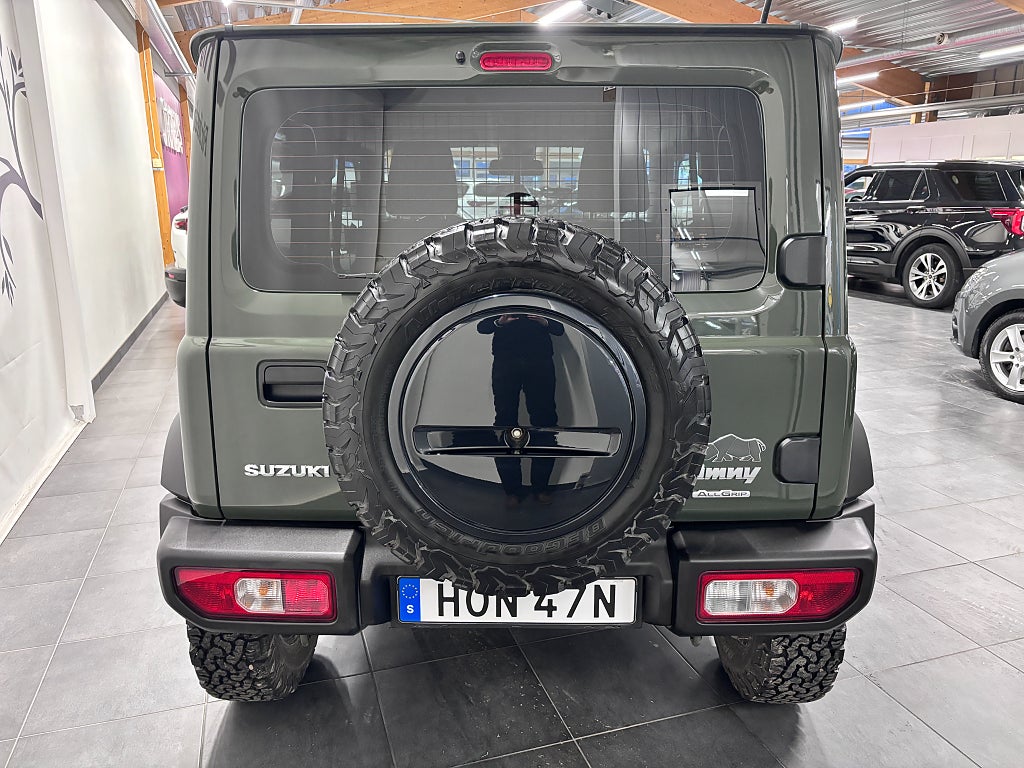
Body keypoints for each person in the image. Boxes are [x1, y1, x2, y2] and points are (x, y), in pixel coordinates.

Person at [477, 312, 564, 505]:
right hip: (505, 362)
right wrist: (499, 322)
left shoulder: (542, 301)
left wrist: (544, 321)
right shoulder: (502, 300)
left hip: (540, 363)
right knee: (504, 423)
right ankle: (512, 491)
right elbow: (482, 327)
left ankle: (541, 488)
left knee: (545, 424)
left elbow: (560, 329)